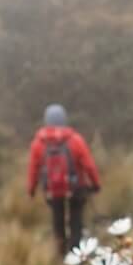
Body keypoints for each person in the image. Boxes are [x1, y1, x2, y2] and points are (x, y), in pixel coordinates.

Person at [26, 104, 101, 256]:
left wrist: (31, 190)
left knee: (57, 222)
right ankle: (75, 256)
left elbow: (33, 169)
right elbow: (89, 165)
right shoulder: (75, 140)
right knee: (76, 222)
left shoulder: (38, 143)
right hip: (76, 189)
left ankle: (60, 255)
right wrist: (95, 184)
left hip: (53, 191)